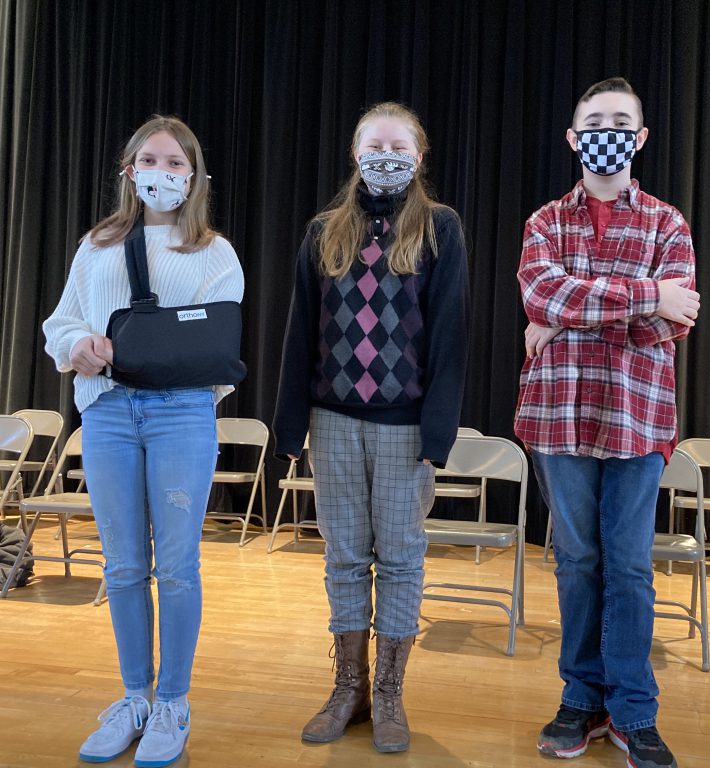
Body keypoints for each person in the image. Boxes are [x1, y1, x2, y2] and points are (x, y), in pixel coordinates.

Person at [43, 115, 244, 767]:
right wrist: (80, 346)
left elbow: (214, 347)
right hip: (107, 413)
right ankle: (134, 697)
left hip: (181, 414)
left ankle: (173, 702)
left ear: (194, 175)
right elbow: (64, 319)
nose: (164, 171)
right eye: (151, 160)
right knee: (125, 565)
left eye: (177, 162)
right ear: (130, 170)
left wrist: (155, 360)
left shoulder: (215, 252)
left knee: (177, 566)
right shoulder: (99, 244)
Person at [273, 101, 468, 753]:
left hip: (404, 428)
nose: (386, 156)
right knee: (344, 557)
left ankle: (389, 694)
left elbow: (449, 338)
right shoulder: (324, 231)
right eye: (373, 145)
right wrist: (288, 428)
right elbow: (301, 331)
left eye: (398, 146)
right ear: (356, 155)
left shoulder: (440, 229)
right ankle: (348, 688)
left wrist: (436, 438)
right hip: (331, 423)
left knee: (402, 559)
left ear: (419, 156)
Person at [515, 78, 699, 768]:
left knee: (627, 566)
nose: (607, 131)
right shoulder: (543, 224)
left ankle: (634, 709)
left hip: (638, 417)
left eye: (621, 121)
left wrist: (563, 319)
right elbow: (542, 289)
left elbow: (672, 326)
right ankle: (580, 698)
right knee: (576, 561)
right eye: (595, 121)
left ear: (641, 137)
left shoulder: (667, 223)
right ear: (573, 136)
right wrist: (648, 294)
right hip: (558, 414)